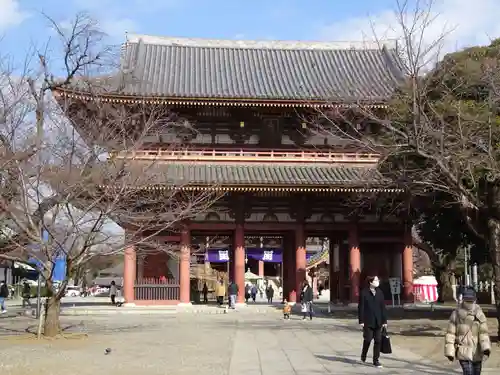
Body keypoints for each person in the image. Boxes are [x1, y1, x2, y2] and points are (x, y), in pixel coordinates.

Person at [445, 287, 491, 375]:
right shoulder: (456, 314)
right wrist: (449, 351)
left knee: (476, 373)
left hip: (477, 351)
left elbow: (483, 333)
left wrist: (486, 347)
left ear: (475, 300)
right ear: (463, 299)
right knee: (468, 372)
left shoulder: (479, 314)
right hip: (463, 349)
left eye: (471, 300)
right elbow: (450, 334)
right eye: (467, 300)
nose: (469, 303)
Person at [358, 275, 387, 368]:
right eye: (375, 280)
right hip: (368, 320)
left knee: (378, 340)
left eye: (378, 280)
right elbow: (361, 307)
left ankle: (376, 360)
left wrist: (384, 321)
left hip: (378, 321)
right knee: (368, 339)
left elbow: (383, 308)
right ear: (370, 282)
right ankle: (363, 355)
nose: (377, 281)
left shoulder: (380, 293)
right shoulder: (364, 293)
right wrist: (361, 321)